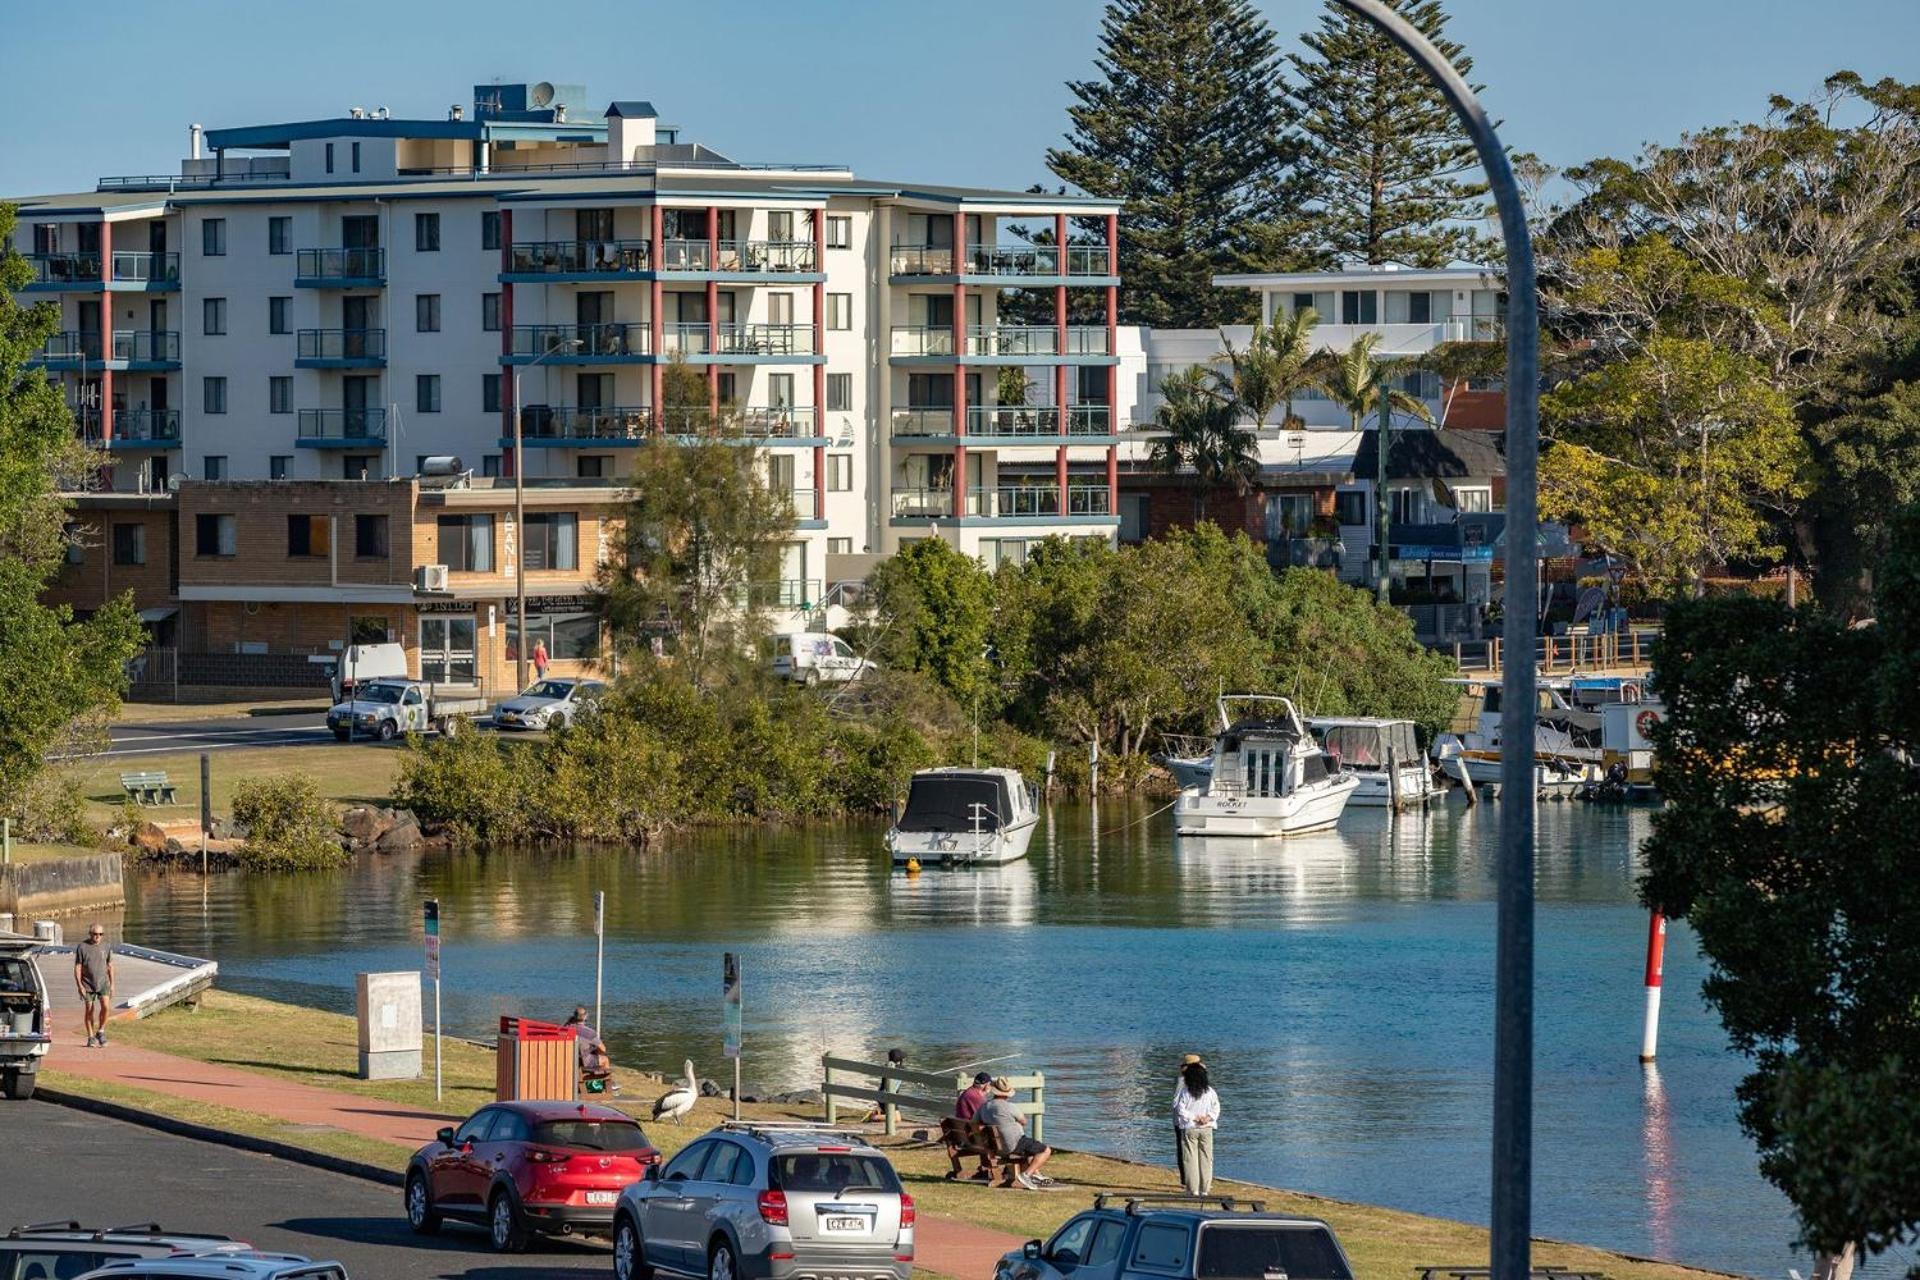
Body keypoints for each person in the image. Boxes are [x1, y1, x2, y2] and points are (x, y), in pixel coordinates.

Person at [976, 1076, 1051, 1189]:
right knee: (1045, 1150)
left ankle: (1036, 1175)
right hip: (1013, 1144)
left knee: (1031, 1148)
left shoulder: (984, 1107)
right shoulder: (1010, 1107)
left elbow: (973, 1122)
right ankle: (1026, 1175)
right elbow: (1024, 1121)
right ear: (1007, 1093)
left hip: (994, 1147)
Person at [1174, 1059, 1220, 1195]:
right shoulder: (1210, 1091)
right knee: (1206, 1158)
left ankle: (1192, 1189)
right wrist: (1208, 1118)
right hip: (1206, 1128)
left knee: (1190, 1159)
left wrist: (1194, 1118)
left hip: (1190, 1128)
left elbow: (1180, 1109)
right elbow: (1216, 1107)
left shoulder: (1185, 1091)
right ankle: (1205, 1189)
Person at [73, 923, 114, 1048]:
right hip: (87, 984)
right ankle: (90, 1037)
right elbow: (78, 967)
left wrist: (112, 984)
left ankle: (101, 1031)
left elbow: (110, 965)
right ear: (90, 934)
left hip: (103, 982)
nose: (98, 937)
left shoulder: (106, 946)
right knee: (89, 1010)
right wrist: (79, 985)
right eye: (95, 934)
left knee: (106, 1007)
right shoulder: (82, 947)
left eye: (100, 934)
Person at [565, 1005, 613, 1087]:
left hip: (570, 1059)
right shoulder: (589, 1032)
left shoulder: (566, 1029)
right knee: (605, 1059)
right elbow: (603, 1049)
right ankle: (606, 1085)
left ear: (574, 1016)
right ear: (585, 1016)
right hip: (584, 1061)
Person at [1174, 1053, 1203, 1187]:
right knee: (1185, 1149)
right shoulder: (1183, 1080)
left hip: (1190, 1120)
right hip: (1184, 1120)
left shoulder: (1187, 1079)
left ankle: (1191, 1178)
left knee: (1188, 1149)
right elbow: (1176, 1102)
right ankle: (1186, 1179)